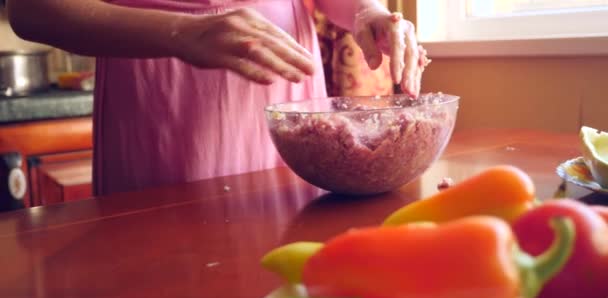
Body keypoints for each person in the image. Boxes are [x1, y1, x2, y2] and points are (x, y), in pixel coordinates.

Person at [6, 0, 428, 196]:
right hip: (162, 101)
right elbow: (33, 9)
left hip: (289, 92)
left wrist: (365, 12)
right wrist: (181, 33)